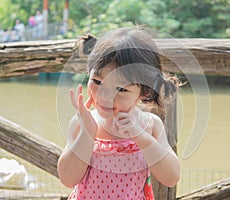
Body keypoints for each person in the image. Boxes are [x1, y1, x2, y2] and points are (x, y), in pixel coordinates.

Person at [57, 27, 181, 200]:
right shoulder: (82, 123)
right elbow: (68, 179)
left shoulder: (149, 125)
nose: (105, 96)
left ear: (144, 92)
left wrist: (140, 136)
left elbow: (171, 177)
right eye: (97, 81)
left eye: (121, 89)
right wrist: (88, 132)